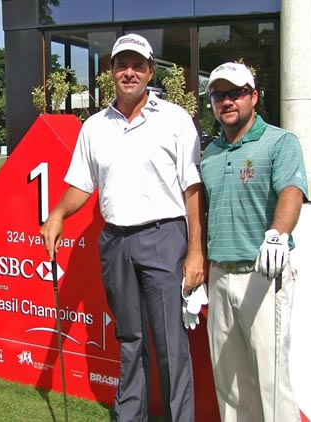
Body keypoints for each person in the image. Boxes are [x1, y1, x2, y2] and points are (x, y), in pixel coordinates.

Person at [40, 34, 206, 422]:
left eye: (137, 66)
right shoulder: (95, 126)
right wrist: (58, 214)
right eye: (121, 65)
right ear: (110, 71)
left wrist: (197, 250)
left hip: (163, 236)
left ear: (150, 71)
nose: (128, 73)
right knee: (130, 339)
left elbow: (192, 189)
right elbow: (82, 185)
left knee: (169, 342)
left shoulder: (175, 120)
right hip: (116, 240)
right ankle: (130, 416)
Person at [201, 62, 307, 421]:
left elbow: (291, 192)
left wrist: (278, 234)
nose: (227, 101)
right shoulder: (210, 154)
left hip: (263, 274)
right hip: (219, 274)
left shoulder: (280, 142)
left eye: (235, 93)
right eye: (219, 95)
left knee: (270, 379)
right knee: (228, 383)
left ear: (254, 97)